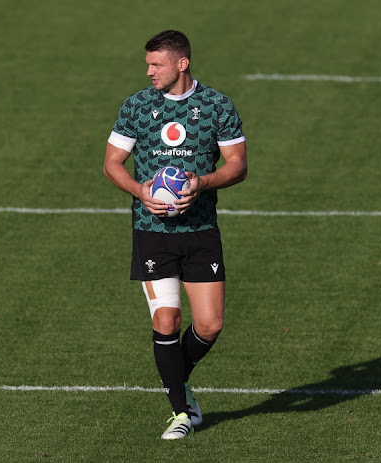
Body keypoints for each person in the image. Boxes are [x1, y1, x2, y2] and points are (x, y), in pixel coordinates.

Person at [103, 30, 247, 439]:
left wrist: (202, 183)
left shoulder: (216, 105)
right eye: (148, 64)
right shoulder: (137, 106)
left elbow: (237, 164)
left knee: (210, 324)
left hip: (200, 229)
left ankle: (175, 379)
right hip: (152, 231)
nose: (149, 71)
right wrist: (139, 191)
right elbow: (113, 162)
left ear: (181, 64)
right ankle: (181, 412)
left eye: (157, 65)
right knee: (167, 320)